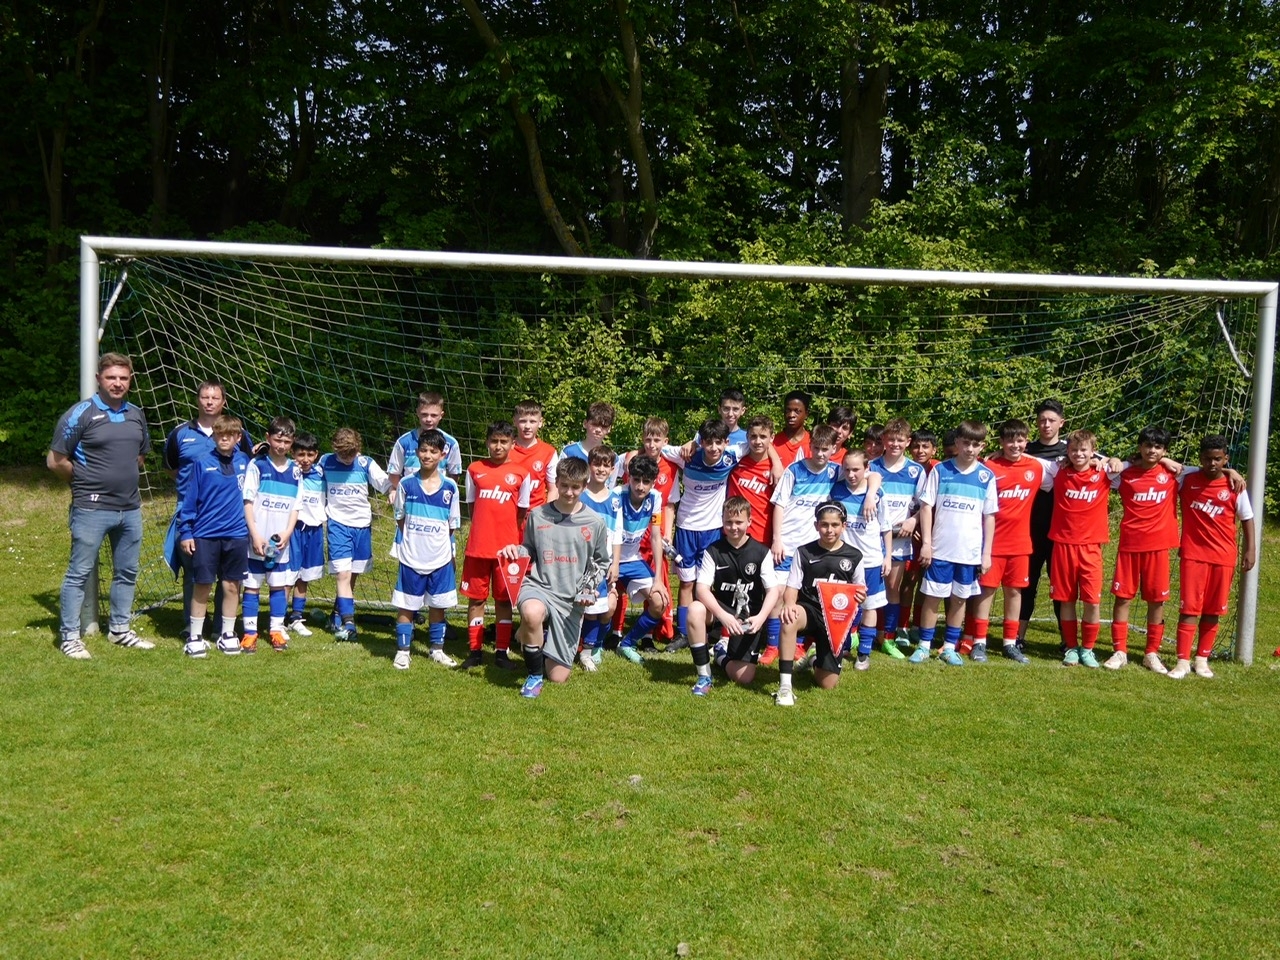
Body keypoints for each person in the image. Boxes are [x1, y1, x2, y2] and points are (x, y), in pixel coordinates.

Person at [48, 352, 153, 659]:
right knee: (79, 573)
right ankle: (70, 637)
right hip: (91, 509)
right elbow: (55, 460)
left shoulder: (136, 414)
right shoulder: (80, 413)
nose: (117, 383)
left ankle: (120, 629)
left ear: (130, 380)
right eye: (111, 378)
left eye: (123, 378)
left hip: (130, 509)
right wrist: (83, 481)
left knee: (127, 572)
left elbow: (140, 456)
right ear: (98, 379)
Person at [499, 457, 612, 698]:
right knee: (532, 612)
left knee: (558, 677)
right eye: (564, 485)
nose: (569, 492)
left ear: (584, 486)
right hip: (539, 586)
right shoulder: (537, 515)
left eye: (575, 487)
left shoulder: (595, 522)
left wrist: (589, 588)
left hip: (570, 600)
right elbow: (528, 548)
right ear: (557, 483)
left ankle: (537, 636)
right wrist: (514, 551)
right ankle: (533, 676)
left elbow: (602, 562)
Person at [160, 379, 254, 637]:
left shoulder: (237, 433)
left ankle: (223, 629)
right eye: (205, 397)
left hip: (230, 517)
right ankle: (193, 627)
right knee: (196, 572)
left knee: (228, 575)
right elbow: (171, 468)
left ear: (224, 401)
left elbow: (248, 469)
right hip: (192, 513)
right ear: (197, 400)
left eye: (215, 398)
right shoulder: (181, 433)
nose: (209, 402)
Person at [1168, 435, 1256, 679]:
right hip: (1193, 554)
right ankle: (1182, 661)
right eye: (1207, 459)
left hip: (1223, 556)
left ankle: (1202, 659)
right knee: (1189, 608)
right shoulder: (1187, 480)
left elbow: (1247, 518)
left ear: (1225, 458)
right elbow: (1164, 465)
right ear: (1200, 459)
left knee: (1213, 609)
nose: (1212, 463)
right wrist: (1230, 470)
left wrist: (1250, 549)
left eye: (1218, 459)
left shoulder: (1234, 486)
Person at [912, 421, 998, 666]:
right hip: (941, 548)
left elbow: (989, 516)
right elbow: (926, 507)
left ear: (982, 446)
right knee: (932, 597)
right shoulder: (941, 470)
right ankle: (924, 645)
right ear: (957, 443)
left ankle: (949, 646)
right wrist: (927, 543)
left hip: (968, 552)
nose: (970, 449)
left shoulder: (986, 477)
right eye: (966, 443)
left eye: (975, 444)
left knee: (960, 598)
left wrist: (986, 553)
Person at [762, 422, 841, 665]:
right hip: (787, 545)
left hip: (815, 549)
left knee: (807, 598)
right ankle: (772, 646)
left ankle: (797, 644)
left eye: (825, 449)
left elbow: (867, 475)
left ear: (833, 449)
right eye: (816, 448)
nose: (820, 454)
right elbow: (779, 505)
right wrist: (777, 539)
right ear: (810, 446)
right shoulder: (794, 471)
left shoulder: (836, 472)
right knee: (777, 594)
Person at [687, 497, 783, 695]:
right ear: (722, 522)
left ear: (749, 521)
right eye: (728, 522)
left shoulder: (761, 552)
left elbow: (773, 591)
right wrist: (723, 616)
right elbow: (701, 589)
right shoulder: (713, 551)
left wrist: (760, 618)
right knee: (695, 609)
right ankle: (704, 676)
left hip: (748, 617)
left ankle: (720, 654)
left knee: (744, 678)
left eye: (739, 522)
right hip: (720, 612)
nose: (733, 527)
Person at [775, 501, 867, 706]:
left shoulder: (855, 556)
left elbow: (860, 589)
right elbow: (792, 587)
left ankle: (813, 658)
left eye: (835, 525)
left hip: (835, 619)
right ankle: (785, 686)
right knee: (789, 618)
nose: (829, 530)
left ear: (844, 526)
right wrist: (789, 604)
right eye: (824, 525)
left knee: (827, 683)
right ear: (816, 525)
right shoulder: (804, 552)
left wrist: (861, 596)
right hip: (809, 611)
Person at [1038, 429, 1116, 667]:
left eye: (1084, 450)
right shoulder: (1058, 470)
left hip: (1091, 548)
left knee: (1092, 601)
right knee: (1066, 600)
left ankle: (1088, 648)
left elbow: (1132, 465)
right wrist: (999, 453)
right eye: (1073, 450)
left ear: (1093, 452)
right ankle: (1071, 647)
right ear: (1067, 451)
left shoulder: (1104, 473)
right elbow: (1030, 460)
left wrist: (1112, 459)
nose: (1078, 454)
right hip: (1063, 546)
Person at [662, 418, 741, 651]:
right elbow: (657, 447)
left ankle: (712, 630)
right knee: (687, 582)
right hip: (687, 528)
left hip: (714, 529)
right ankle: (683, 633)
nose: (714, 448)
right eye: (708, 442)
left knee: (712, 582)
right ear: (702, 442)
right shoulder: (687, 456)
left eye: (719, 442)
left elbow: (762, 444)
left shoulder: (732, 456)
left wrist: (775, 463)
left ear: (726, 442)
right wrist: (691, 443)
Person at [176, 415, 251, 658]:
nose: (224, 439)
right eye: (220, 435)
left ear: (238, 437)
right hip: (205, 534)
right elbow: (189, 501)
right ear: (214, 436)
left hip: (236, 534)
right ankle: (195, 636)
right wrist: (186, 531)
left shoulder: (245, 462)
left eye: (230, 435)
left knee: (231, 585)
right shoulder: (202, 462)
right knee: (203, 585)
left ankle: (227, 633)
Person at [1105, 426, 1179, 672]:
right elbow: (1100, 469)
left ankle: (1151, 653)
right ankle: (1120, 651)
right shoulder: (1125, 475)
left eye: (1158, 447)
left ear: (1164, 450)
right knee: (1123, 597)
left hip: (1158, 548)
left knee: (1156, 600)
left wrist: (1231, 471)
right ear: (1140, 447)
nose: (1152, 451)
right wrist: (1119, 460)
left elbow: (1207, 471)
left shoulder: (1174, 475)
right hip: (1130, 545)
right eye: (1148, 445)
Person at [460, 421, 531, 669]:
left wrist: (507, 536)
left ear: (512, 444)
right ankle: (475, 651)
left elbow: (521, 512)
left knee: (503, 601)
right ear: (487, 442)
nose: (498, 446)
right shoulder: (474, 469)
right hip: (478, 548)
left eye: (503, 441)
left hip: (507, 551)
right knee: (476, 600)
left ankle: (501, 652)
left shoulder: (522, 473)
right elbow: (472, 507)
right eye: (494, 441)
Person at [971, 419, 1042, 664]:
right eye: (1010, 441)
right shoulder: (989, 467)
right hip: (992, 545)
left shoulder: (1036, 467)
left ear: (1026, 441)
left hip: (1020, 545)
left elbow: (1069, 462)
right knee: (986, 592)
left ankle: (1010, 643)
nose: (1015, 445)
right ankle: (979, 641)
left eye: (1020, 440)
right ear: (1001, 442)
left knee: (1014, 592)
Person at [390, 429, 460, 670]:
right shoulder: (406, 484)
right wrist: (413, 539)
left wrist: (438, 545)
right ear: (417, 452)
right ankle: (403, 651)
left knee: (438, 605)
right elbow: (400, 517)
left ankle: (437, 650)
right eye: (423, 450)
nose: (427, 455)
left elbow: (452, 524)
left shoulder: (450, 487)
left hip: (440, 557)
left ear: (442, 455)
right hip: (412, 556)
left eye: (433, 451)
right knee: (407, 604)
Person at [321, 427, 392, 641]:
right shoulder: (325, 462)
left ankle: (337, 614)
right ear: (334, 449)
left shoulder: (365, 463)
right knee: (342, 574)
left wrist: (392, 491)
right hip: (337, 525)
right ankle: (349, 624)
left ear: (357, 449)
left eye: (350, 454)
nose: (346, 458)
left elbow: (386, 483)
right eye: (342, 454)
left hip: (361, 526)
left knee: (351, 575)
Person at [240, 417, 300, 653]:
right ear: (268, 438)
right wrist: (254, 535)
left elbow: (296, 507)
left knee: (278, 586)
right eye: (277, 440)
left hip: (279, 542)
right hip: (258, 540)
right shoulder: (257, 465)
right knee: (252, 586)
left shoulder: (295, 470)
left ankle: (276, 630)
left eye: (287, 441)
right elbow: (247, 502)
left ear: (292, 442)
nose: (281, 445)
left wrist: (287, 532)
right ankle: (250, 633)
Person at [828, 449, 892, 669]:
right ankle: (843, 646)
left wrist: (888, 556)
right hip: (843, 560)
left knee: (869, 605)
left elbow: (886, 527)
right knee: (843, 605)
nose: (851, 474)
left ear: (867, 469)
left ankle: (864, 652)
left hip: (871, 560)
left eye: (856, 469)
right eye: (847, 469)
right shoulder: (836, 490)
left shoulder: (878, 494)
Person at [868, 418, 926, 656]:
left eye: (900, 440)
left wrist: (914, 520)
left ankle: (888, 637)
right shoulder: (871, 466)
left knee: (893, 587)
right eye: (890, 439)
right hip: (871, 540)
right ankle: (862, 634)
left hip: (900, 541)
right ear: (883, 439)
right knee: (865, 587)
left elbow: (925, 505)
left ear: (908, 442)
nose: (894, 444)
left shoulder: (915, 471)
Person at [612, 454, 670, 665]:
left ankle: (627, 644)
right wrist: (612, 565)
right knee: (605, 606)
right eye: (636, 480)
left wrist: (658, 579)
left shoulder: (655, 498)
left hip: (633, 560)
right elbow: (613, 534)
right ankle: (592, 646)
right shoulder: (616, 495)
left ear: (653, 482)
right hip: (610, 559)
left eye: (646, 481)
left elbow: (655, 536)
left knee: (659, 601)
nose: (640, 486)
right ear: (628, 478)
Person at [1019, 399, 1068, 648]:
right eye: (1042, 420)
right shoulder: (1025, 449)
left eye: (1051, 420)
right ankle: (1018, 637)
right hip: (1030, 529)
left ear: (1062, 423)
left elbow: (1108, 461)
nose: (1046, 425)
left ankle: (1067, 641)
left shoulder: (1073, 450)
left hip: (1061, 531)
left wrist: (1110, 460)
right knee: (1027, 584)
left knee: (1060, 586)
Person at [578, 446, 623, 664]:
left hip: (603, 564)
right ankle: (575, 646)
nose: (601, 469)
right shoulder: (580, 495)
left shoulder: (615, 500)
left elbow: (617, 534)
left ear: (612, 469)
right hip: (580, 562)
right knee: (584, 607)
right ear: (589, 466)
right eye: (597, 464)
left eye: (606, 465)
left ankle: (590, 649)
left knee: (599, 608)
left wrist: (615, 563)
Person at [286, 432, 325, 635]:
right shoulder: (289, 471)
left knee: (304, 575)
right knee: (287, 576)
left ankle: (296, 617)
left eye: (310, 455)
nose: (305, 459)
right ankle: (278, 618)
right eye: (301, 454)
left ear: (316, 455)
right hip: (293, 530)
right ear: (293, 453)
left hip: (314, 530)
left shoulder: (321, 473)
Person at [387, 391, 463, 490]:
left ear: (441, 415)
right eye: (424, 414)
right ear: (417, 412)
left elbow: (454, 475)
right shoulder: (403, 442)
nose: (428, 419)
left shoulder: (451, 444)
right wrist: (403, 492)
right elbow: (393, 474)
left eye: (434, 415)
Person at [507, 399, 559, 510]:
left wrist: (547, 515)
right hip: (509, 512)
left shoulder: (548, 452)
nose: (527, 426)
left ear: (540, 422)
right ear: (514, 421)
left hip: (536, 513)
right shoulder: (505, 449)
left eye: (532, 421)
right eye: (523, 421)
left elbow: (553, 489)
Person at [772, 390, 812, 466]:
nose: (791, 415)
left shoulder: (813, 444)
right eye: (788, 410)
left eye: (797, 411)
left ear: (806, 414)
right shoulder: (773, 443)